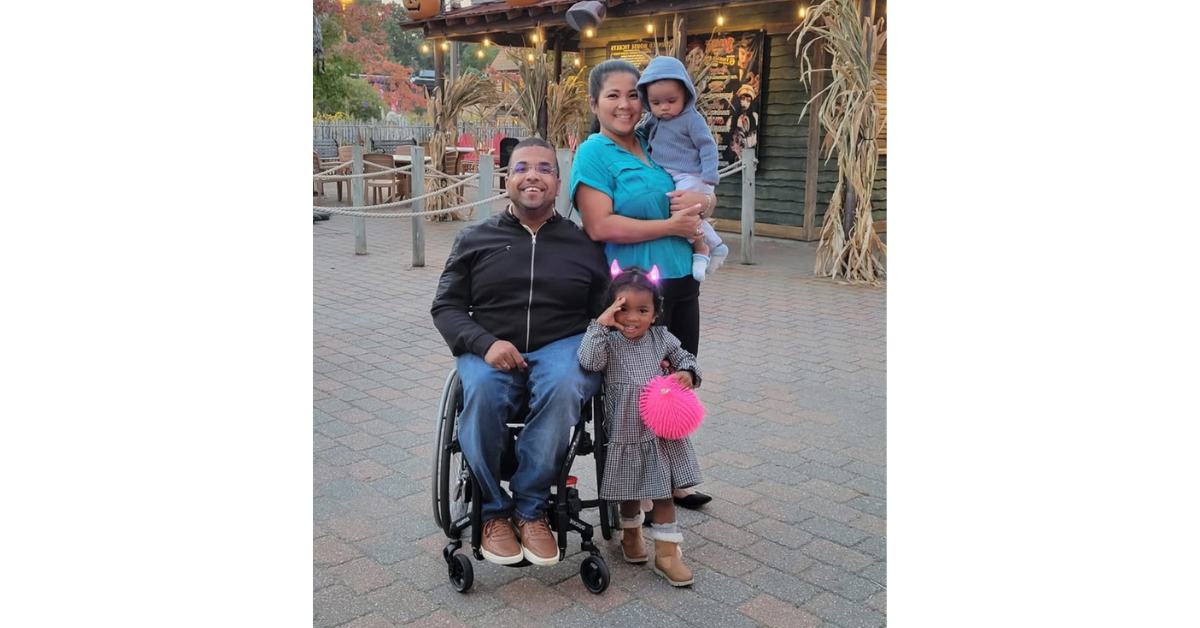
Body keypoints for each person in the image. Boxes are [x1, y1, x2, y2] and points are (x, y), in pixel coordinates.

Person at [430, 137, 609, 567]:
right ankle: (493, 511)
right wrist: (485, 344)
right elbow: (446, 307)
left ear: (558, 181)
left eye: (545, 168)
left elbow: (602, 313)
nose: (533, 175)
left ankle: (530, 510)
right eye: (522, 167)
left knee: (566, 382)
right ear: (506, 179)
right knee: (484, 391)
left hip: (560, 343)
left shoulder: (582, 244)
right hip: (489, 345)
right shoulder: (474, 238)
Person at [571, 59, 715, 512]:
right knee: (632, 391)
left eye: (634, 94)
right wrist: (671, 225)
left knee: (675, 379)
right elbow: (599, 225)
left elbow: (694, 192)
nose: (626, 104)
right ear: (595, 103)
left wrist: (705, 201)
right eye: (613, 95)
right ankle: (633, 490)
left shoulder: (654, 141)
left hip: (676, 283)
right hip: (631, 291)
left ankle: (673, 479)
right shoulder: (594, 152)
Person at [578, 265, 703, 586]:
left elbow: (686, 356)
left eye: (643, 310)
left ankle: (667, 553)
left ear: (656, 313)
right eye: (623, 309)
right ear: (610, 309)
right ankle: (631, 533)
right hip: (625, 431)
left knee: (662, 492)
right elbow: (588, 362)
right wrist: (599, 326)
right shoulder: (607, 342)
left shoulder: (661, 338)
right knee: (629, 490)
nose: (632, 318)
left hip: (660, 431)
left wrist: (686, 373)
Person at [636, 55, 730, 282]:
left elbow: (707, 146)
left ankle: (702, 248)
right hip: (673, 174)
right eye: (656, 103)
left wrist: (710, 174)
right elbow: (641, 131)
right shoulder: (653, 119)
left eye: (671, 100)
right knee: (680, 211)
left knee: (682, 212)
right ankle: (714, 245)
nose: (664, 108)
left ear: (685, 96)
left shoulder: (691, 119)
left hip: (691, 174)